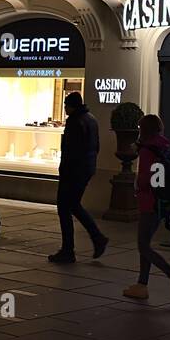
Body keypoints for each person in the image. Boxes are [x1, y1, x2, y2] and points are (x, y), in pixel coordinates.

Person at [124, 114, 170, 302]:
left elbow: (145, 178)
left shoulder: (147, 151)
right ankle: (141, 285)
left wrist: (138, 188)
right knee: (145, 244)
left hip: (148, 202)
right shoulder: (161, 146)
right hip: (160, 201)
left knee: (143, 245)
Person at [48, 91, 108, 264]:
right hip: (85, 169)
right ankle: (95, 238)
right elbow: (96, 147)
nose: (65, 108)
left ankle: (70, 249)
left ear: (71, 105)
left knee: (65, 208)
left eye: (66, 105)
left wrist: (65, 170)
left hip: (73, 171)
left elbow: (71, 150)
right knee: (73, 206)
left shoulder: (75, 121)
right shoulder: (92, 119)